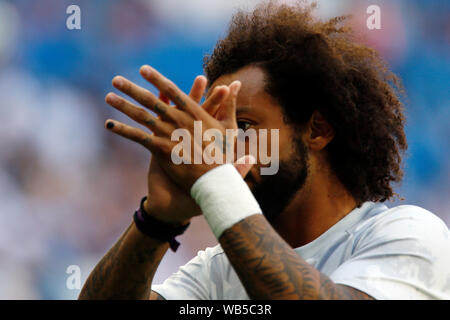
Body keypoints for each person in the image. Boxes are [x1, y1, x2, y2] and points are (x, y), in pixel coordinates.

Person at [79, 2, 450, 300]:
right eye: (216, 129)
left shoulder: (408, 234)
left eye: (243, 127)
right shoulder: (219, 270)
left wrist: (216, 179)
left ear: (317, 130)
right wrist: (157, 219)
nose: (221, 147)